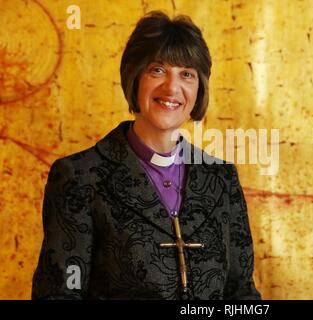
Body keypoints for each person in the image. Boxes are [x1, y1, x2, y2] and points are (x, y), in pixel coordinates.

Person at [32, 11, 261, 300]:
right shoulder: (79, 176)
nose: (172, 87)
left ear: (199, 88)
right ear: (134, 77)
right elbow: (60, 294)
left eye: (186, 74)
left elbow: (241, 293)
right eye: (157, 70)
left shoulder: (222, 178)